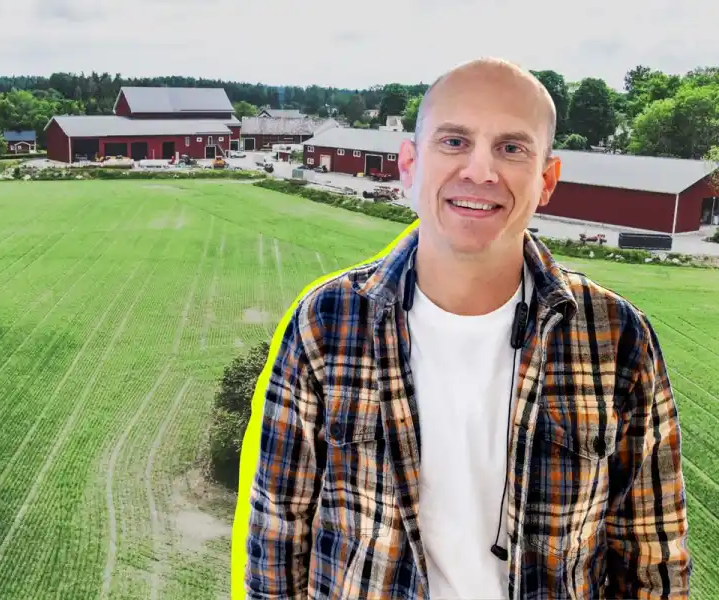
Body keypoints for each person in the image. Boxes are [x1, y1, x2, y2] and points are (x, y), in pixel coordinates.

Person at [243, 57, 691, 599]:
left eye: (511, 148)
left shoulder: (618, 340)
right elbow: (278, 534)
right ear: (409, 164)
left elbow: (652, 558)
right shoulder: (326, 323)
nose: (480, 171)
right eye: (454, 142)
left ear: (546, 179)